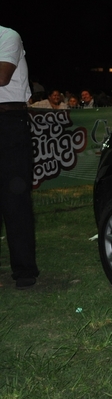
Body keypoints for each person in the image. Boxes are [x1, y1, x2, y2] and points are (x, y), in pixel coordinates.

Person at [0, 25, 40, 289]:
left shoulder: (7, 36)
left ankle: (24, 270)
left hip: (8, 123)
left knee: (15, 198)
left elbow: (3, 76)